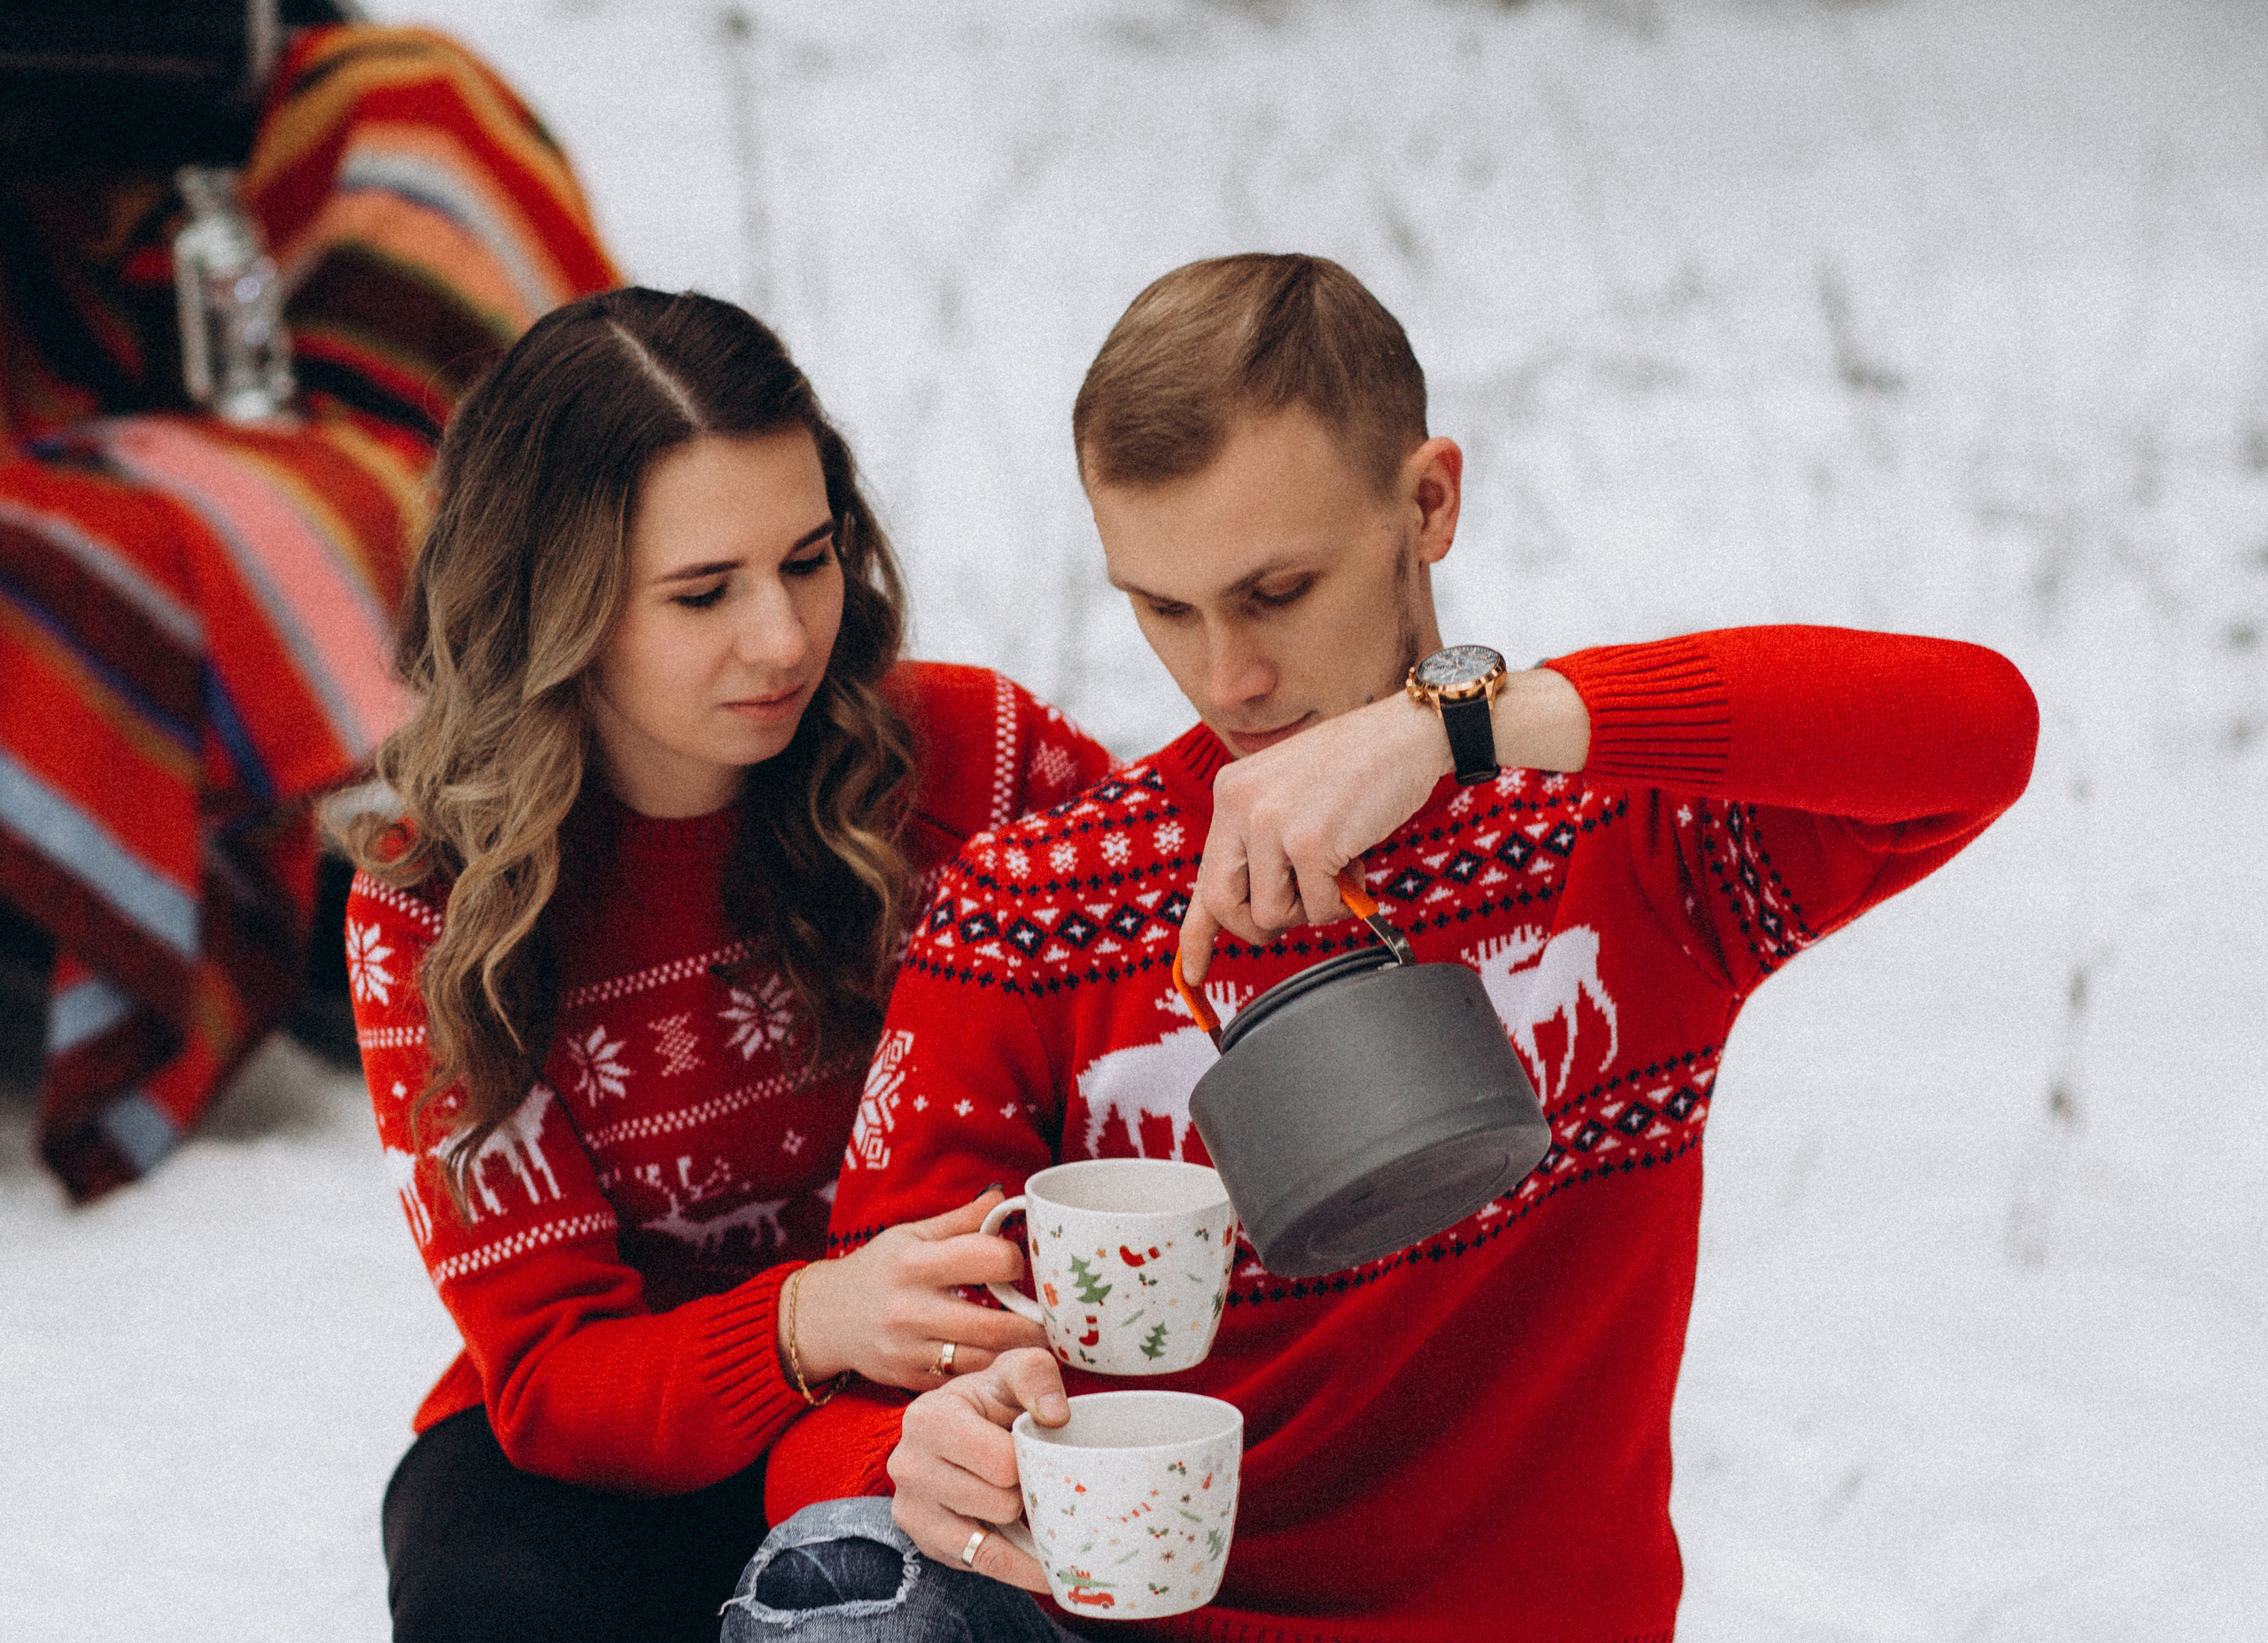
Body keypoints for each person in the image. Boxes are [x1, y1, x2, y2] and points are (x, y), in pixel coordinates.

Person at [732, 253, 2040, 1642]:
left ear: (1428, 505)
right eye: (1163, 609)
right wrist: (917, 1457)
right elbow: (846, 1431)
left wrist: (1458, 725)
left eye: (1278, 591)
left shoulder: (1618, 843)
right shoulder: (1039, 911)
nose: (1225, 678)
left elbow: (1981, 730)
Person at [340, 286, 1120, 1643]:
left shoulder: (974, 759)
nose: (783, 638)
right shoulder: (434, 893)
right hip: (608, 1453)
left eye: (810, 561)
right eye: (704, 592)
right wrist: (811, 1320)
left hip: (964, 1402)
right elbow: (545, 1376)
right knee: (489, 1586)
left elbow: (1186, 972)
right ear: (554, 605)